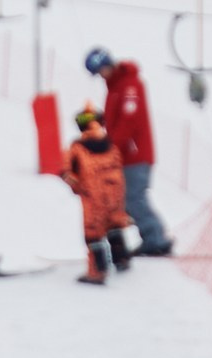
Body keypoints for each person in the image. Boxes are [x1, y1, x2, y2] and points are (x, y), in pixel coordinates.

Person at [85, 49, 172, 256]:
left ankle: (156, 240)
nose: (101, 76)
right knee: (127, 199)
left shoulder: (129, 85)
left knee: (134, 198)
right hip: (125, 155)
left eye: (101, 70)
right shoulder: (115, 87)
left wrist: (110, 145)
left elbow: (129, 120)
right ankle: (152, 237)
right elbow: (116, 119)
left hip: (135, 154)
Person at [65, 108, 134, 285]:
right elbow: (119, 164)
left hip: (92, 194)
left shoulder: (77, 147)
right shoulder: (110, 144)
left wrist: (77, 187)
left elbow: (66, 171)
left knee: (93, 231)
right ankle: (121, 258)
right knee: (114, 223)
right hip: (115, 192)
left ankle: (98, 270)